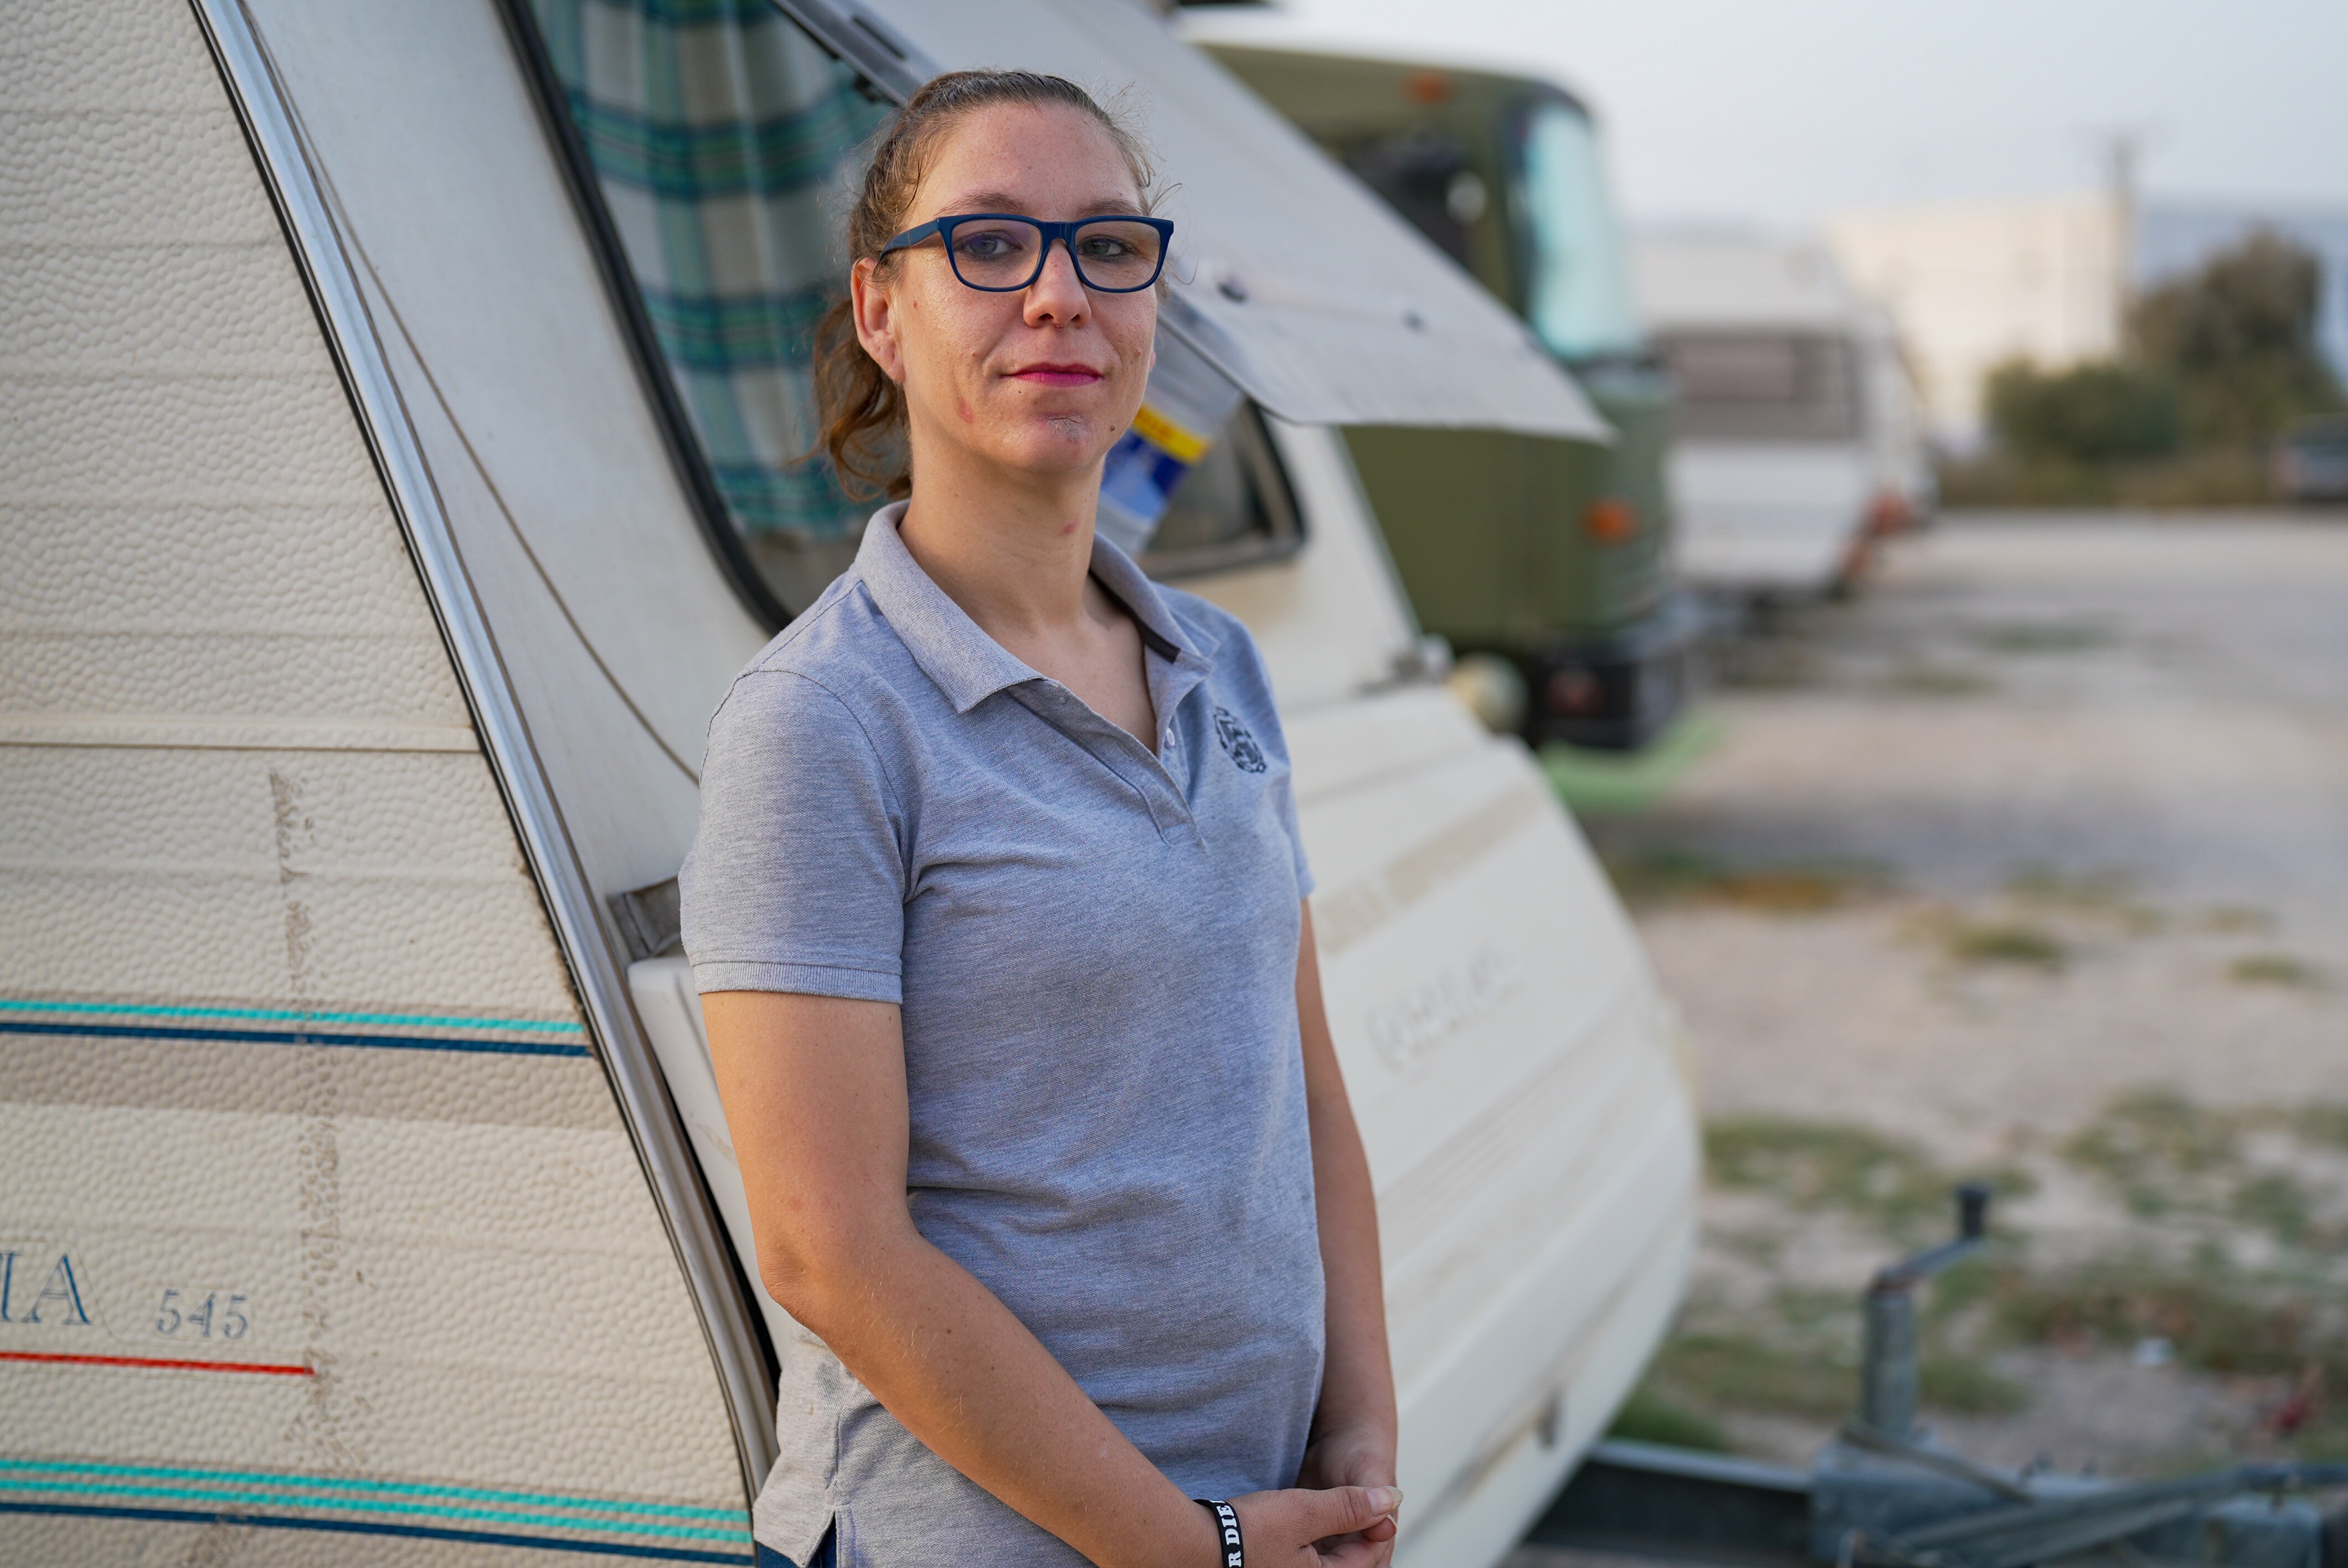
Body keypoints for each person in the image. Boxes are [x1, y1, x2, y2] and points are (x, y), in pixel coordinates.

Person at [681, 69, 1399, 1568]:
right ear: (883, 312)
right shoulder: (823, 720)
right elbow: (829, 1250)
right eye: (991, 246)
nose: (1060, 298)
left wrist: (1360, 1448)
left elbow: (1304, 1094)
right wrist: (1186, 1545)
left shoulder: (1222, 662)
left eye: (1107, 246)